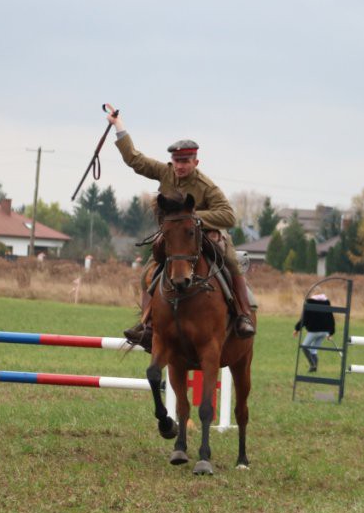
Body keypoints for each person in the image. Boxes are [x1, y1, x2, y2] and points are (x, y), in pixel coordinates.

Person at [104, 104, 256, 346]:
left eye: (185, 160)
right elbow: (134, 159)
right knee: (147, 272)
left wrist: (194, 219)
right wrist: (118, 126)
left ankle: (243, 316)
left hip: (206, 236)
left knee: (230, 262)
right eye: (176, 160)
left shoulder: (207, 186)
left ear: (196, 161)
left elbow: (228, 215)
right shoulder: (165, 173)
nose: (180, 165)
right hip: (175, 239)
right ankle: (146, 326)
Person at [293, 293, 335, 372]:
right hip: (324, 332)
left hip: (314, 331)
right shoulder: (327, 303)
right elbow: (331, 319)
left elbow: (304, 319)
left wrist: (297, 328)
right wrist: (331, 333)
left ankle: (313, 365)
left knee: (305, 347)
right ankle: (314, 369)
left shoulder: (309, 303)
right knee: (313, 350)